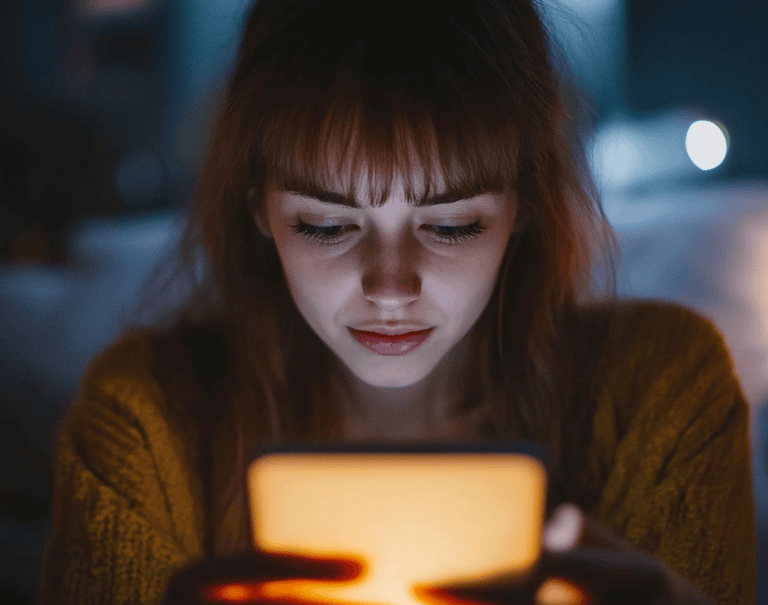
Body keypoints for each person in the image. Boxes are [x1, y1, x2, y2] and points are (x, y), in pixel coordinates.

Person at [38, 0, 756, 603]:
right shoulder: (145, 417)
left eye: (450, 226)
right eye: (325, 225)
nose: (389, 285)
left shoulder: (661, 389)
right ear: (259, 207)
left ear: (525, 204)